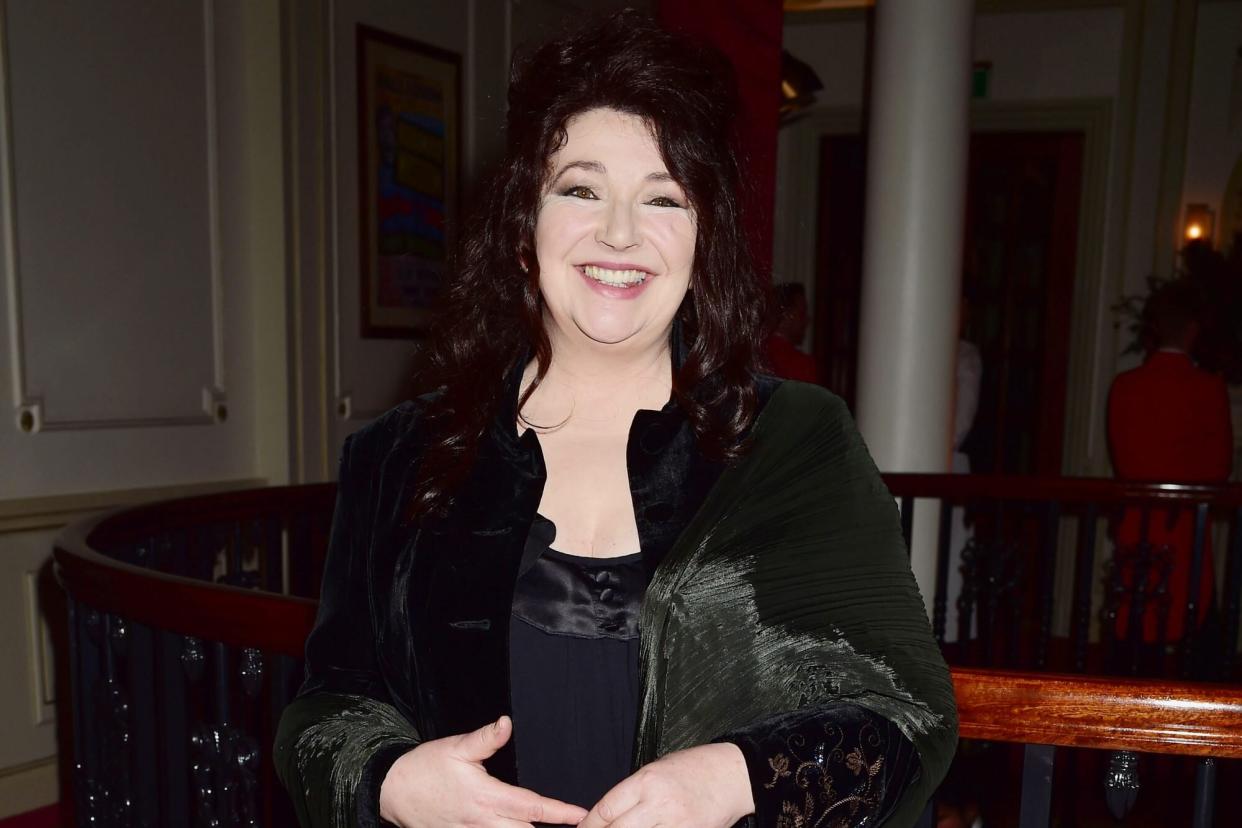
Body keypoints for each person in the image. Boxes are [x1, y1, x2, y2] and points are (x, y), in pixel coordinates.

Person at [274, 13, 956, 828]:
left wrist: (732, 780)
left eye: (663, 198)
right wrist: (391, 782)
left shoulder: (798, 441)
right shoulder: (399, 456)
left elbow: (907, 715)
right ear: (524, 228)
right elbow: (325, 710)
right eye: (582, 189)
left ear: (704, 238)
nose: (621, 234)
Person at [1107, 279, 1233, 657]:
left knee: (1134, 632)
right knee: (1193, 626)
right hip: (1184, 529)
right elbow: (1220, 467)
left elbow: (1121, 458)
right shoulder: (1208, 388)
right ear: (1193, 329)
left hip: (1138, 527)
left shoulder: (1125, 386)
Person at [764, 282, 819, 383]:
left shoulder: (754, 355)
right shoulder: (802, 365)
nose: (807, 320)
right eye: (802, 313)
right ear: (786, 316)